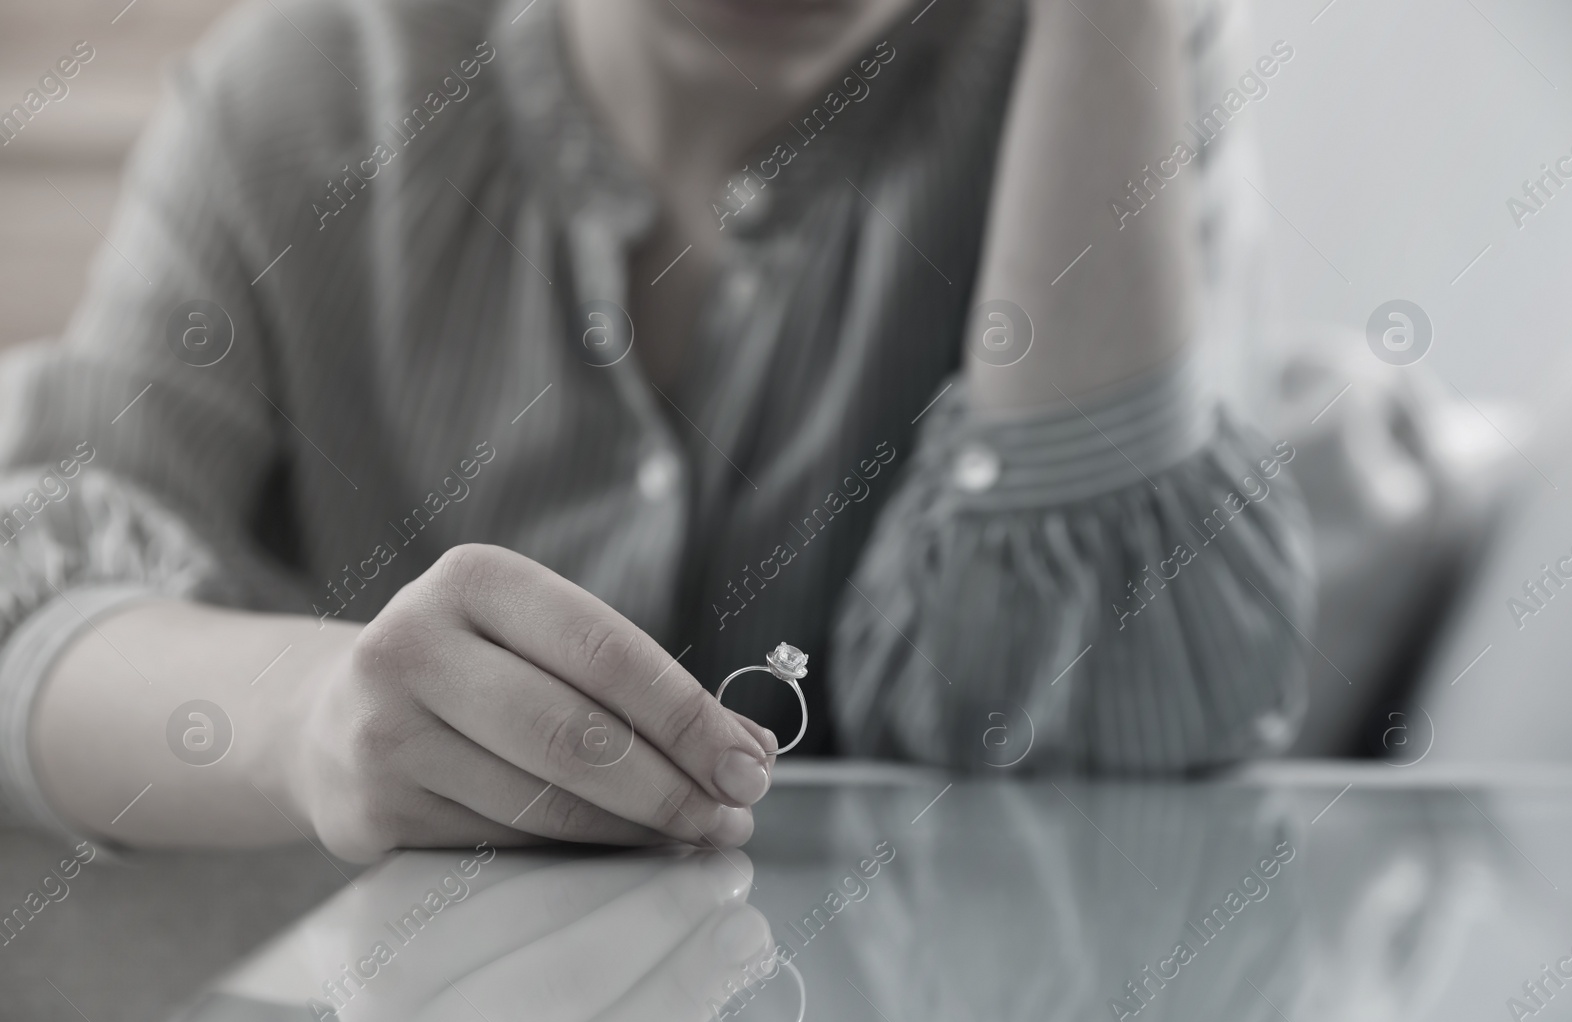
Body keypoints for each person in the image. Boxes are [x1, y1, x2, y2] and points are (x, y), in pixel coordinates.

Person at [0, 0, 1311, 861]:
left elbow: (1088, 728)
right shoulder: (308, 88)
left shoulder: (1100, 70)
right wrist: (315, 721)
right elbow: (39, 600)